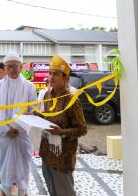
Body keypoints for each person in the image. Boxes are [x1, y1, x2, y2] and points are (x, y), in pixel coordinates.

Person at [39, 55, 87, 196]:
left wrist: (62, 132)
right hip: (47, 152)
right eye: (50, 73)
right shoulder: (47, 96)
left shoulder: (72, 100)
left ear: (65, 78)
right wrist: (35, 116)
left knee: (65, 192)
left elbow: (82, 129)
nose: (51, 77)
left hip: (63, 157)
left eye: (56, 74)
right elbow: (49, 118)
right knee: (52, 190)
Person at [0, 53, 37, 196]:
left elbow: (33, 110)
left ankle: (23, 192)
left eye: (15, 66)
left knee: (23, 166)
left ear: (21, 67)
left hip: (22, 134)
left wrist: (22, 124)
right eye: (9, 67)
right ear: (5, 68)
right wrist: (5, 130)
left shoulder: (29, 86)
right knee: (5, 166)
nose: (12, 70)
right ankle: (6, 191)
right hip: (5, 135)